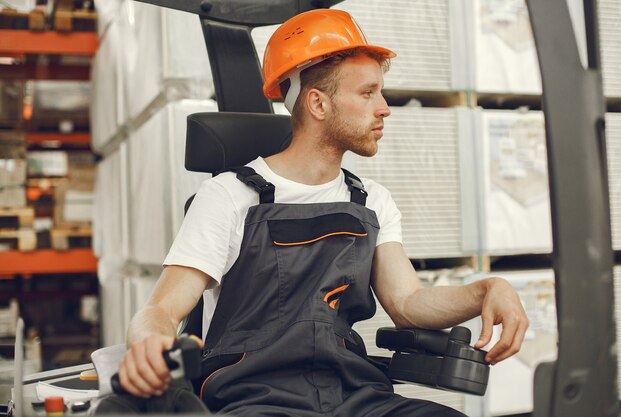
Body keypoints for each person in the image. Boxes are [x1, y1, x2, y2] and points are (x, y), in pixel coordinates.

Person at [117, 8, 528, 417]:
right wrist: (150, 342)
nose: (384, 108)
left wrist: (487, 289)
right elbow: (162, 310)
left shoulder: (370, 201)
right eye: (368, 93)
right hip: (257, 398)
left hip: (355, 394)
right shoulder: (228, 196)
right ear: (317, 103)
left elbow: (408, 303)